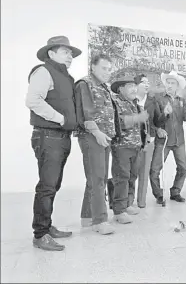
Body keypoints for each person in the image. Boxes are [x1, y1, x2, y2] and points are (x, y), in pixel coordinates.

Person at [25, 36, 81, 251]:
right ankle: (40, 234)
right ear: (51, 53)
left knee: (53, 185)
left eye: (71, 54)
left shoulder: (66, 77)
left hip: (61, 137)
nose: (70, 57)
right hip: (48, 136)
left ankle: (46, 227)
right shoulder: (43, 71)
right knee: (47, 186)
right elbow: (32, 101)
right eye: (65, 52)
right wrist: (61, 119)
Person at [74, 54, 116, 235]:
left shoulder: (103, 87)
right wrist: (97, 132)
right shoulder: (85, 84)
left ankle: (87, 217)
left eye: (109, 69)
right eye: (103, 68)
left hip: (103, 137)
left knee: (95, 178)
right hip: (92, 136)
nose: (107, 72)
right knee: (98, 178)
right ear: (93, 67)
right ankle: (100, 221)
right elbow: (84, 112)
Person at [109, 71, 149, 224]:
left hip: (136, 146)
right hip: (122, 146)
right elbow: (117, 122)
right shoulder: (115, 102)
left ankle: (127, 204)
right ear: (120, 89)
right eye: (130, 86)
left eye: (134, 85)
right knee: (122, 177)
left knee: (132, 176)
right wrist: (136, 118)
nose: (134, 89)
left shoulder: (134, 103)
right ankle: (119, 210)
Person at [149, 71, 186, 204]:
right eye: (168, 82)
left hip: (179, 140)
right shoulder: (158, 99)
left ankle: (176, 192)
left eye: (172, 83)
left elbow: (185, 118)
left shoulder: (182, 100)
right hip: (163, 140)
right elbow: (155, 121)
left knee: (183, 168)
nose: (169, 85)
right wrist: (164, 114)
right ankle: (158, 195)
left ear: (177, 86)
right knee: (155, 169)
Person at [127, 73, 165, 208]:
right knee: (132, 173)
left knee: (144, 172)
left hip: (149, 141)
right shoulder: (130, 101)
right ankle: (128, 202)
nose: (147, 84)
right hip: (133, 142)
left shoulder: (152, 101)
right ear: (136, 85)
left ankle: (141, 201)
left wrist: (165, 114)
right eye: (144, 82)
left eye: (148, 82)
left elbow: (156, 121)